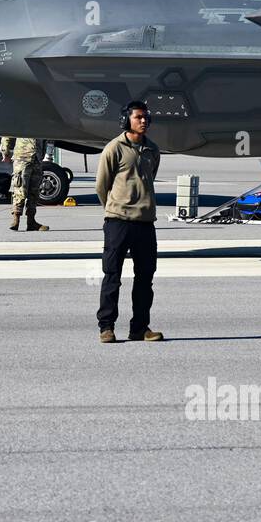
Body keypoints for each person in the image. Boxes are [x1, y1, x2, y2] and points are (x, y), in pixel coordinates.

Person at [95, 101, 162, 343]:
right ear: (127, 120)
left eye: (146, 117)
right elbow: (102, 185)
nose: (143, 121)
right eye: (138, 117)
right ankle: (106, 327)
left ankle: (140, 328)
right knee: (112, 276)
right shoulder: (114, 148)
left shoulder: (152, 150)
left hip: (145, 223)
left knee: (145, 278)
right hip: (118, 222)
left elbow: (149, 179)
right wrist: (115, 208)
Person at [0, 135, 49, 232]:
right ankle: (16, 219)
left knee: (34, 192)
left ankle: (31, 222)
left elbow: (45, 136)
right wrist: (5, 151)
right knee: (20, 188)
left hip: (37, 158)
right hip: (22, 157)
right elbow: (8, 132)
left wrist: (42, 153)